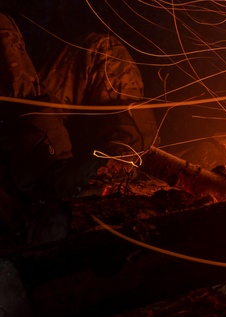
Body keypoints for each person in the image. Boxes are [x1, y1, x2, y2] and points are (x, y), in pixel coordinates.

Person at [0, 13, 158, 244]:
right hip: (27, 179)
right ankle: (61, 189)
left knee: (99, 51)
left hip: (35, 144)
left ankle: (113, 163)